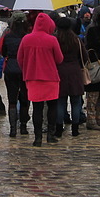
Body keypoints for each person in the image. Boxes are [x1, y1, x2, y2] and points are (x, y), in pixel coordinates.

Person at [17, 13, 63, 147]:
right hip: (50, 77)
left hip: (32, 77)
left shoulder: (26, 39)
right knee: (52, 106)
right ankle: (50, 135)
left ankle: (37, 138)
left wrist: (27, 68)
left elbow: (20, 59)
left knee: (37, 108)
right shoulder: (52, 40)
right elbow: (59, 59)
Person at [54, 16, 87, 137]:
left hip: (60, 71)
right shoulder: (76, 40)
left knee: (60, 102)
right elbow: (84, 56)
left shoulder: (56, 40)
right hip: (75, 72)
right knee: (76, 102)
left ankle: (58, 128)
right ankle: (75, 128)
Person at [0, 12, 30, 138]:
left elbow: (2, 50)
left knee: (12, 99)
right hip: (25, 68)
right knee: (25, 98)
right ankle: (23, 126)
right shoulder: (27, 37)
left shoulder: (7, 36)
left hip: (11, 66)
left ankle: (13, 128)